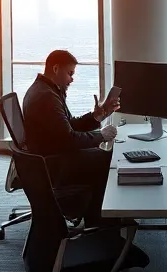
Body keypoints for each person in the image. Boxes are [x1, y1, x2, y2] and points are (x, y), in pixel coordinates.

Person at [21, 49, 119, 225]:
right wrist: (101, 136)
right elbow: (69, 139)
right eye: (70, 73)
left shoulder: (48, 90)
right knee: (107, 160)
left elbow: (69, 125)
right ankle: (100, 222)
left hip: (52, 154)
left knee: (101, 155)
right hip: (52, 163)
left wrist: (97, 117)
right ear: (56, 68)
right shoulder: (46, 97)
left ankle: (100, 217)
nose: (72, 79)